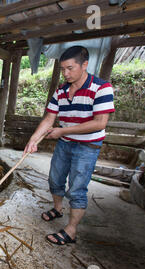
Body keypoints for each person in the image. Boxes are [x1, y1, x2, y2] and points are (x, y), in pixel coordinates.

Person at [24, 45, 115, 245]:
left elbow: (100, 123)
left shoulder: (101, 88)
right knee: (55, 179)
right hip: (65, 144)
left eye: (70, 68)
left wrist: (62, 131)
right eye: (63, 69)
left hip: (87, 147)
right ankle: (57, 208)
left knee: (77, 188)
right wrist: (33, 140)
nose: (66, 73)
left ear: (84, 65)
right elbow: (49, 118)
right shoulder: (61, 91)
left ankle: (71, 230)